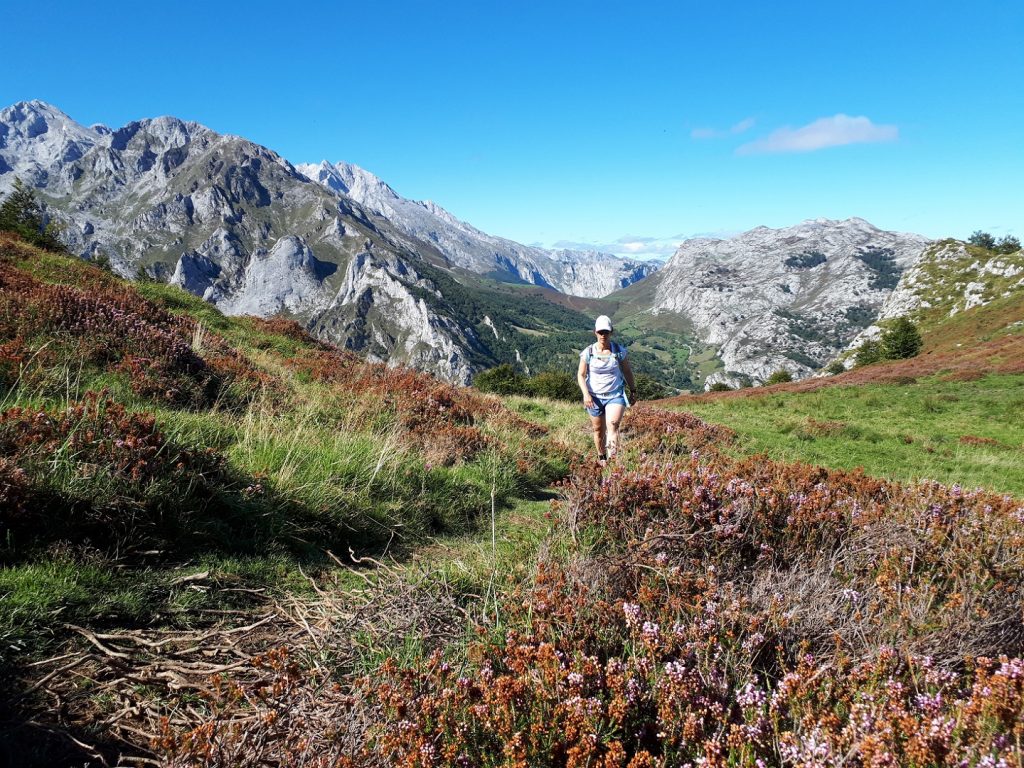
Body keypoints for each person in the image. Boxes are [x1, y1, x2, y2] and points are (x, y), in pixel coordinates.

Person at [577, 315, 637, 464]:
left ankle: (613, 461)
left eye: (606, 332)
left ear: (611, 332)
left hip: (615, 395)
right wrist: (586, 394)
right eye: (600, 332)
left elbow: (627, 371)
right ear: (595, 332)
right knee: (598, 430)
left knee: (613, 425)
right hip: (594, 397)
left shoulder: (619, 351)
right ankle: (602, 457)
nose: (603, 335)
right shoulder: (588, 352)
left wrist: (633, 390)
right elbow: (581, 374)